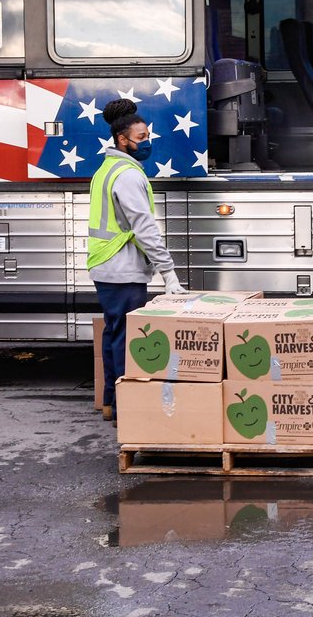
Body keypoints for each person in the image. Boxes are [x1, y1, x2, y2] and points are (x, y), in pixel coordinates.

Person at [86, 100, 187, 423]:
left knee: (114, 333)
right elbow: (144, 228)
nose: (147, 143)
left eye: (147, 137)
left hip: (107, 265)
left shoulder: (107, 168)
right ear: (122, 140)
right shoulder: (127, 175)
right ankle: (122, 409)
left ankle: (109, 402)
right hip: (121, 267)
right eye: (141, 138)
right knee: (126, 338)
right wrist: (168, 272)